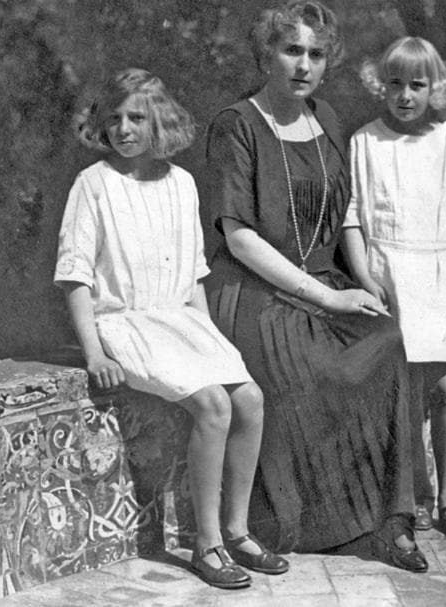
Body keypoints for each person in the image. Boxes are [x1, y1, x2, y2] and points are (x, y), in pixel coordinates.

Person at [204, 0, 427, 573]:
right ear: (266, 55)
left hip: (326, 280)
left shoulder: (325, 118)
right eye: (292, 50)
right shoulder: (237, 125)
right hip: (256, 292)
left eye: (316, 53)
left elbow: (345, 210)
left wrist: (363, 279)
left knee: (385, 340)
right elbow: (239, 238)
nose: (304, 65)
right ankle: (316, 522)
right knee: (315, 367)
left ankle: (391, 521)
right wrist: (327, 297)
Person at [54, 68, 288, 590]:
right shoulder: (93, 185)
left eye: (136, 117)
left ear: (158, 121)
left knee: (248, 397)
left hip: (180, 320)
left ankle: (237, 529)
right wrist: (95, 354)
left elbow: (194, 275)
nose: (124, 128)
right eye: (113, 118)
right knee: (212, 403)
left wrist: (211, 341)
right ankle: (206, 545)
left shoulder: (181, 184)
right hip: (126, 325)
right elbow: (74, 276)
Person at [343, 36, 446, 541]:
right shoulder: (365, 141)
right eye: (395, 84)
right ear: (381, 87)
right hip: (390, 278)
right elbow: (353, 220)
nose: (405, 95)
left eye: (417, 85)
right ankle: (413, 498)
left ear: (437, 88)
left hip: (444, 277)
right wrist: (366, 277)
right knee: (404, 395)